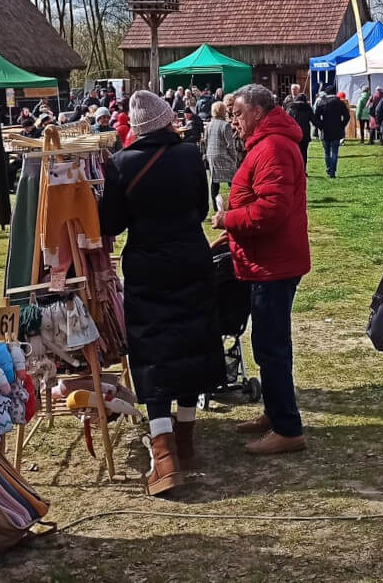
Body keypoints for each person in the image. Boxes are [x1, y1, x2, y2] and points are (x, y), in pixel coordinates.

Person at [99, 91, 225, 496]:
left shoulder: (121, 164)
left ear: (137, 128)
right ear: (167, 120)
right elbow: (201, 209)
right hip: (191, 257)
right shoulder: (189, 155)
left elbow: (111, 224)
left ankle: (164, 452)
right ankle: (185, 440)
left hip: (148, 265)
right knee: (192, 342)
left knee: (153, 350)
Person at [212, 84, 311, 455]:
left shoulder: (273, 147)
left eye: (238, 113)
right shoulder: (267, 144)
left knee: (272, 347)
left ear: (257, 112)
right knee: (266, 344)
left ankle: (287, 428)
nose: (233, 121)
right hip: (266, 260)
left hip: (274, 264)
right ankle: (274, 412)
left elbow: (270, 211)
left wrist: (227, 219)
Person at [206, 100, 241, 214]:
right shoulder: (225, 125)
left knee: (214, 181)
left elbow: (205, 140)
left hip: (211, 155)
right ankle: (236, 203)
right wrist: (234, 157)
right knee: (234, 180)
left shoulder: (209, 124)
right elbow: (230, 145)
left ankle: (216, 209)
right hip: (223, 156)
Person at [314, 84, 351, 178]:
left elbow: (316, 117)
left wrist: (320, 126)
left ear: (326, 92)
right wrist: (342, 125)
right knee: (334, 152)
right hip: (337, 129)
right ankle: (333, 171)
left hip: (325, 129)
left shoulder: (322, 102)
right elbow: (347, 116)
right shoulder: (340, 103)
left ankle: (328, 169)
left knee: (327, 152)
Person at [285, 92, 314, 162]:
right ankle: (303, 167)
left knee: (294, 153)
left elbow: (286, 120)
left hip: (294, 133)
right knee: (304, 153)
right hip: (305, 134)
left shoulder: (291, 107)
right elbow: (314, 120)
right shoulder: (308, 108)